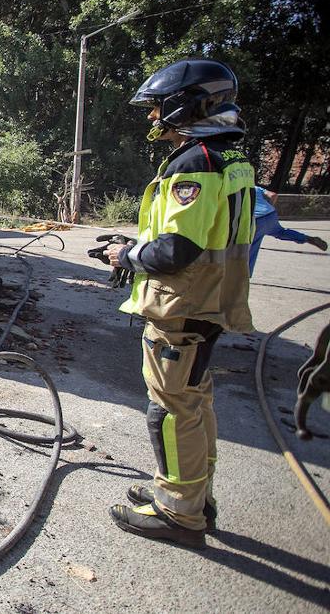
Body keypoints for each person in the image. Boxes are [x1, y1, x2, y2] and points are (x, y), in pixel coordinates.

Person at [104, 58, 255, 548]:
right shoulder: (232, 159)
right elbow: (195, 235)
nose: (153, 118)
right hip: (212, 300)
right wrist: (141, 244)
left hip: (183, 306)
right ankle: (194, 497)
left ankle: (177, 513)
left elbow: (174, 252)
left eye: (157, 108)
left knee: (170, 410)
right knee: (196, 401)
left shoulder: (195, 163)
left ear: (186, 104)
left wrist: (125, 253)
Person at [249, 186, 327, 274]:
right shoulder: (255, 187)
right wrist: (269, 207)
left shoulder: (237, 189)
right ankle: (306, 238)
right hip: (270, 214)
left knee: (251, 246)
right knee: (281, 232)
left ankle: (246, 275)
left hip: (256, 219)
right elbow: (273, 195)